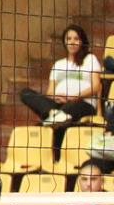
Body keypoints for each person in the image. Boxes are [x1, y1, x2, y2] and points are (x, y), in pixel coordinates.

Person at [22, 25, 101, 154]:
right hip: (59, 104)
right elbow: (49, 92)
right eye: (69, 39)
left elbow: (96, 86)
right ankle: (54, 114)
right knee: (25, 93)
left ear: (82, 41)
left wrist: (75, 96)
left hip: (82, 103)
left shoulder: (90, 59)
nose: (72, 42)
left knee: (62, 119)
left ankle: (55, 118)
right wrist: (56, 97)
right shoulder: (58, 64)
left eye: (76, 39)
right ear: (64, 42)